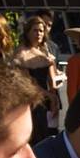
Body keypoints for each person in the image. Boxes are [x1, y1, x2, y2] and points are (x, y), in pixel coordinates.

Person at [12, 16, 59, 144]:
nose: (38, 33)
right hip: (32, 100)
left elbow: (51, 77)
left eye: (41, 30)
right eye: (35, 30)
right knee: (37, 136)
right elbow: (29, 83)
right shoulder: (21, 53)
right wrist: (50, 96)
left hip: (47, 101)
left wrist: (54, 98)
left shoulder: (45, 50)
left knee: (50, 135)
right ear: (27, 32)